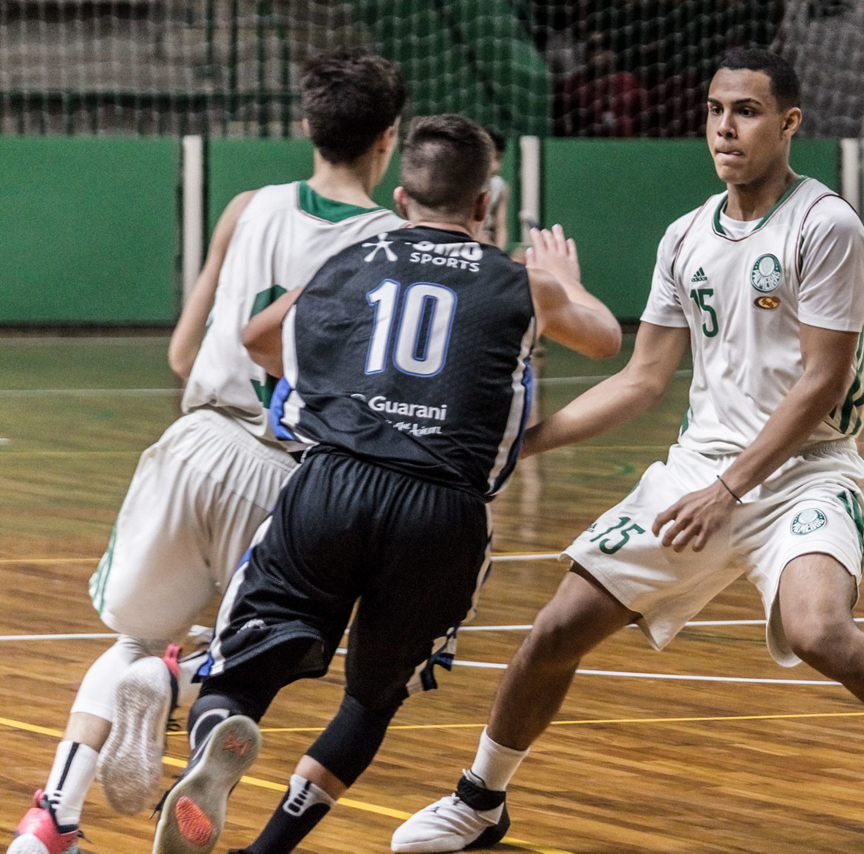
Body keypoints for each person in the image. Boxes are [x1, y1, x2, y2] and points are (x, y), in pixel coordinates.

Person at [392, 48, 864, 854]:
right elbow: (642, 379)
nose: (725, 128)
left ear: (789, 123)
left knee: (820, 632)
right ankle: (480, 802)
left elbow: (821, 382)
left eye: (746, 111)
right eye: (715, 110)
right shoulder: (685, 237)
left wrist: (731, 490)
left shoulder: (826, 227)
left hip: (807, 472)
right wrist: (519, 448)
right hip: (698, 471)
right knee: (555, 630)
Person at [149, 114, 621, 854]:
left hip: (334, 484)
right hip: (444, 509)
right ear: (484, 203)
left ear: (401, 200)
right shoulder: (521, 284)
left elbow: (258, 339)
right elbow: (605, 339)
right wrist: (564, 279)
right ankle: (266, 852)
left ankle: (215, 738)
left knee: (241, 668)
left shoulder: (352, 261)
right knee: (371, 700)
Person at [5, 47, 408, 854]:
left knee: (131, 641)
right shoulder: (391, 244)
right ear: (388, 138)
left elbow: (183, 353)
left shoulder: (247, 208)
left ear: (306, 124)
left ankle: (50, 821)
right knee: (262, 657)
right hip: (288, 478)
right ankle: (176, 685)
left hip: (194, 447)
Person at [480, 129, 509, 250]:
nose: (497, 166)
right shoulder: (465, 188)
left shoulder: (499, 186)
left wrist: (500, 252)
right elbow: (473, 231)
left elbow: (501, 226)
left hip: (490, 247)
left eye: (499, 158)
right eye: (493, 158)